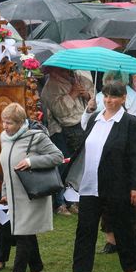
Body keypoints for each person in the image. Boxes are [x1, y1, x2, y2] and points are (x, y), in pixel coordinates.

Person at [62, 81, 136, 272]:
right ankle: (80, 271)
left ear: (124, 98)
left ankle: (130, 268)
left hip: (118, 185)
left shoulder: (130, 123)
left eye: (114, 96)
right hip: (90, 184)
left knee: (122, 226)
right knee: (85, 227)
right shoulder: (95, 119)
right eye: (106, 96)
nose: (109, 100)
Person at [0, 103, 63, 272]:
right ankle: (37, 271)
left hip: (32, 194)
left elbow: (57, 156)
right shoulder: (4, 138)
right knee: (25, 232)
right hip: (14, 195)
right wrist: (4, 192)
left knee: (23, 234)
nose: (4, 127)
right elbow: (6, 167)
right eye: (3, 122)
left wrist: (31, 161)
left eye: (9, 123)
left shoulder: (36, 137)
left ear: (20, 123)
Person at [93, 71, 136, 251]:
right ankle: (111, 239)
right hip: (106, 163)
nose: (108, 98)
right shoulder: (99, 100)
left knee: (131, 204)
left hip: (131, 161)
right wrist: (89, 110)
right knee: (105, 204)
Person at [40, 67, 93, 216]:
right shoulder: (49, 87)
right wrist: (73, 94)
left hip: (81, 126)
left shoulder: (80, 76)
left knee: (76, 167)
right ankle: (60, 202)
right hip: (60, 131)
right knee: (61, 166)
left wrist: (87, 95)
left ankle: (72, 200)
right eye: (62, 70)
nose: (67, 72)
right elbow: (59, 111)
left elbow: (94, 99)